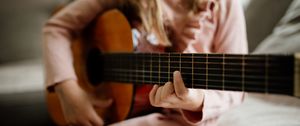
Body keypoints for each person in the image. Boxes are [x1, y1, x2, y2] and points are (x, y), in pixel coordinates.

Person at [43, 0, 248, 125]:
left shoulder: (224, 4)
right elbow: (56, 28)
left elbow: (235, 88)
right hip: (126, 111)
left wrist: (194, 100)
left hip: (187, 121)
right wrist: (67, 89)